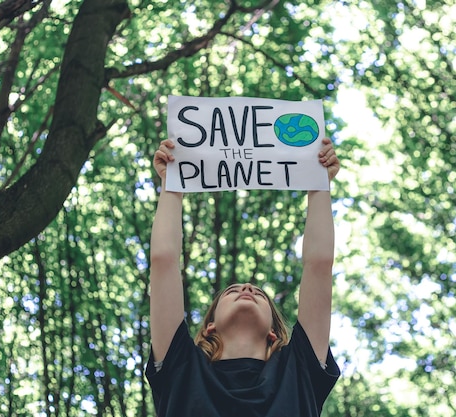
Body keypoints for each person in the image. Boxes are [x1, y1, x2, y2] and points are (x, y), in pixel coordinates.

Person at [146, 137, 341, 417]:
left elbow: (319, 264)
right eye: (232, 291)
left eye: (259, 293)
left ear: (274, 331)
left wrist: (319, 182)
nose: (248, 287)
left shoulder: (299, 367)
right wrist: (172, 184)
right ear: (210, 325)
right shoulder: (182, 366)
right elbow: (163, 260)